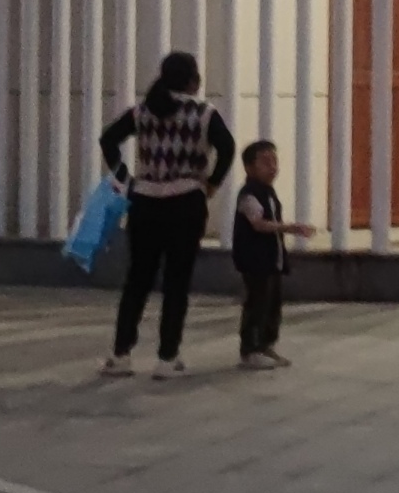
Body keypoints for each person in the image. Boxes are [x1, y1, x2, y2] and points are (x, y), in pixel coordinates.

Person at [97, 51, 237, 378]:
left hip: (145, 202)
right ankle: (167, 357)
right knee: (177, 281)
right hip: (186, 202)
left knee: (137, 280)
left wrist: (126, 178)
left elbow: (108, 139)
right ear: (193, 80)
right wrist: (212, 183)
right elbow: (227, 148)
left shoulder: (143, 111)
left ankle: (120, 354)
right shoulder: (204, 113)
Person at [233, 140, 312, 369]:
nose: (272, 167)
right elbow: (257, 223)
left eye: (274, 161)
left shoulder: (269, 192)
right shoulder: (248, 194)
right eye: (265, 162)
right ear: (249, 167)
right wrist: (290, 228)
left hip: (271, 259)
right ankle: (251, 349)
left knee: (272, 304)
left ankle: (266, 345)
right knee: (257, 303)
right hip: (255, 260)